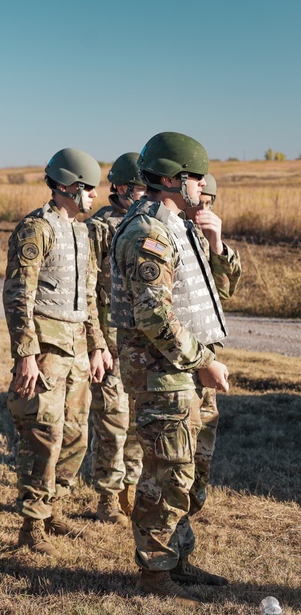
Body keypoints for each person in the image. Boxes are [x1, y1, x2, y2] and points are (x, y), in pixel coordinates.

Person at [111, 132, 231, 604]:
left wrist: (215, 239)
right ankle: (155, 578)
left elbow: (216, 295)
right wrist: (203, 363)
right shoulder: (148, 231)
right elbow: (153, 315)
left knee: (191, 474)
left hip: (187, 371)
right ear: (171, 179)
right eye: (196, 176)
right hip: (165, 373)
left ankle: (178, 562)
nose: (203, 185)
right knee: (167, 475)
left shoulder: (178, 224)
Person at [3, 148, 107, 558]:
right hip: (46, 348)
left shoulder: (82, 232)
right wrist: (25, 352)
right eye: (88, 189)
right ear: (67, 187)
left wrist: (97, 345)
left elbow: (90, 297)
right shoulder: (35, 228)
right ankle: (31, 525)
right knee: (43, 434)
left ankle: (52, 507)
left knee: (78, 434)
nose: (94, 197)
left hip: (78, 348)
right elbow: (18, 295)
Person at [179, 173, 242, 564]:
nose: (204, 209)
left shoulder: (203, 239)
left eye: (210, 202)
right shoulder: (169, 235)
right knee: (174, 464)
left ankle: (182, 545)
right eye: (200, 200)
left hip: (206, 363)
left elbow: (226, 291)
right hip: (181, 363)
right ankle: (165, 561)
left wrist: (217, 243)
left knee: (200, 460)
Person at [84, 152, 147, 524]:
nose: (142, 194)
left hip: (144, 342)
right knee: (112, 420)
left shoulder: (152, 224)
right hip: (110, 339)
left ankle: (131, 489)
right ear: (120, 187)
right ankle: (107, 497)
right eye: (137, 187)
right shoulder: (99, 227)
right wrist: (96, 343)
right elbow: (87, 288)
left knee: (139, 421)